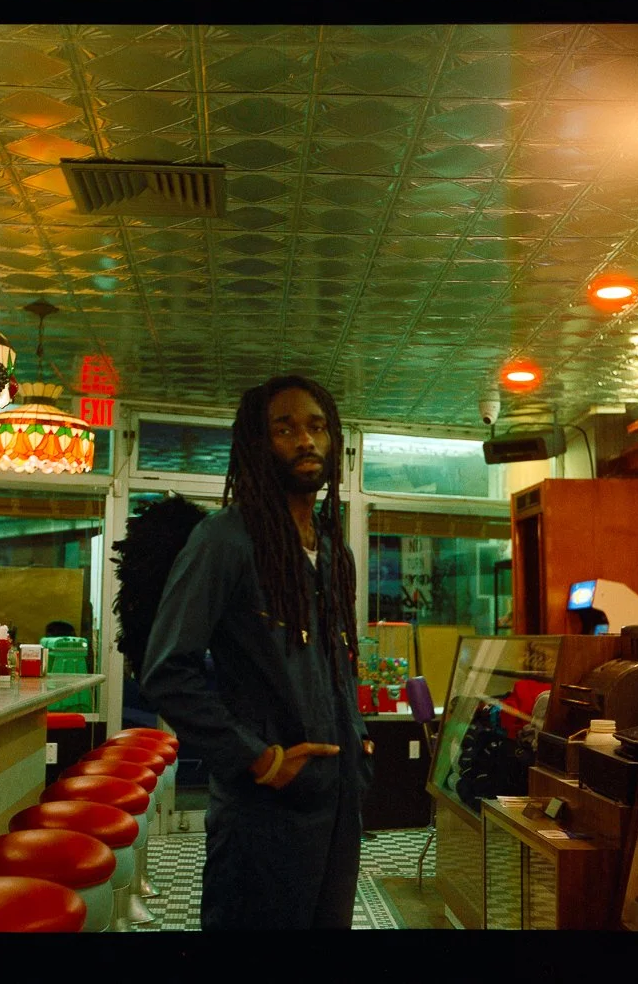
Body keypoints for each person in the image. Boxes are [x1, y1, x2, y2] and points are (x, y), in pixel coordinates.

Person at [140, 373, 375, 930]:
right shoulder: (225, 539)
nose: (306, 441)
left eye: (317, 426)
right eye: (285, 428)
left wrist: (358, 737)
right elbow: (167, 670)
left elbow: (335, 664)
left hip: (336, 805)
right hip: (263, 815)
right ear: (256, 443)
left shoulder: (332, 550)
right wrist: (259, 758)